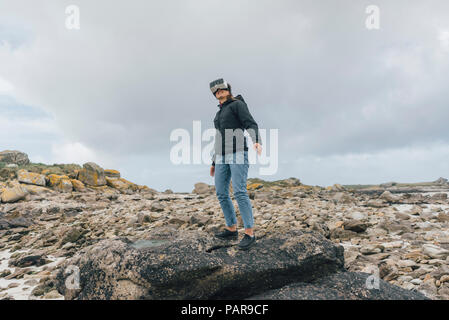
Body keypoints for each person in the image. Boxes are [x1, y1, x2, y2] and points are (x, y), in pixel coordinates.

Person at [209, 78, 262, 250]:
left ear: (228, 89)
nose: (219, 92)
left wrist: (256, 140)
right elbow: (218, 138)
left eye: (222, 89)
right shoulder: (218, 114)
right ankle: (231, 228)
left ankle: (249, 233)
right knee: (221, 192)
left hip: (239, 152)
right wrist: (213, 161)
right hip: (222, 157)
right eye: (216, 91)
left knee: (239, 191)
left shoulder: (237, 104)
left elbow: (250, 123)